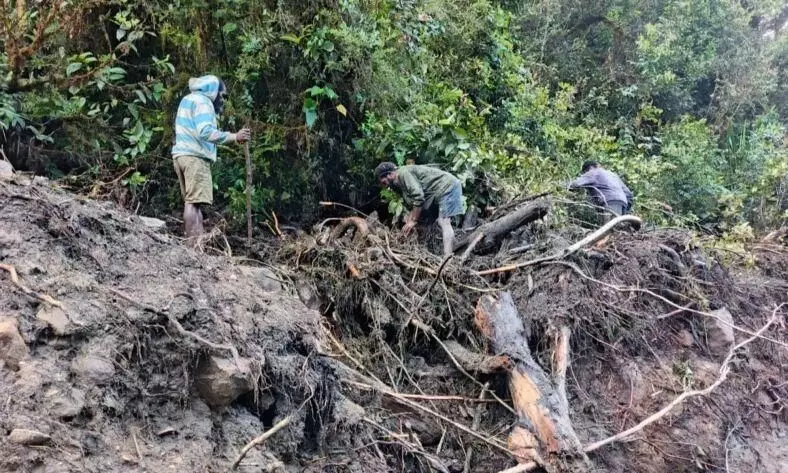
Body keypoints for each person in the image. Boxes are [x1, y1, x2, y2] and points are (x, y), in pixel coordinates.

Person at [171, 75, 251, 240]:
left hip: (181, 156)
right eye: (222, 96)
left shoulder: (188, 99)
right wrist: (234, 137)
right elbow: (205, 132)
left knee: (192, 202)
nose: (222, 100)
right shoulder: (204, 102)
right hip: (194, 158)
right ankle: (194, 247)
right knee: (193, 203)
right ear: (213, 92)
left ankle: (196, 244)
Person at [375, 162, 463, 258]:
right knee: (438, 222)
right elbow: (412, 202)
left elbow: (418, 197)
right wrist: (408, 219)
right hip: (439, 191)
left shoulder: (404, 173)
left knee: (444, 221)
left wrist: (413, 220)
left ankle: (448, 259)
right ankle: (454, 246)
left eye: (384, 182)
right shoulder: (398, 184)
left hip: (448, 187)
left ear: (390, 174)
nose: (386, 186)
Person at [569, 160, 633, 221]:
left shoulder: (593, 172)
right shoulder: (613, 175)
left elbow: (575, 184)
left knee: (609, 230)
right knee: (617, 230)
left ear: (589, 168)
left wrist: (561, 186)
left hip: (610, 202)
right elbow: (628, 194)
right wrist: (626, 210)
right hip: (623, 203)